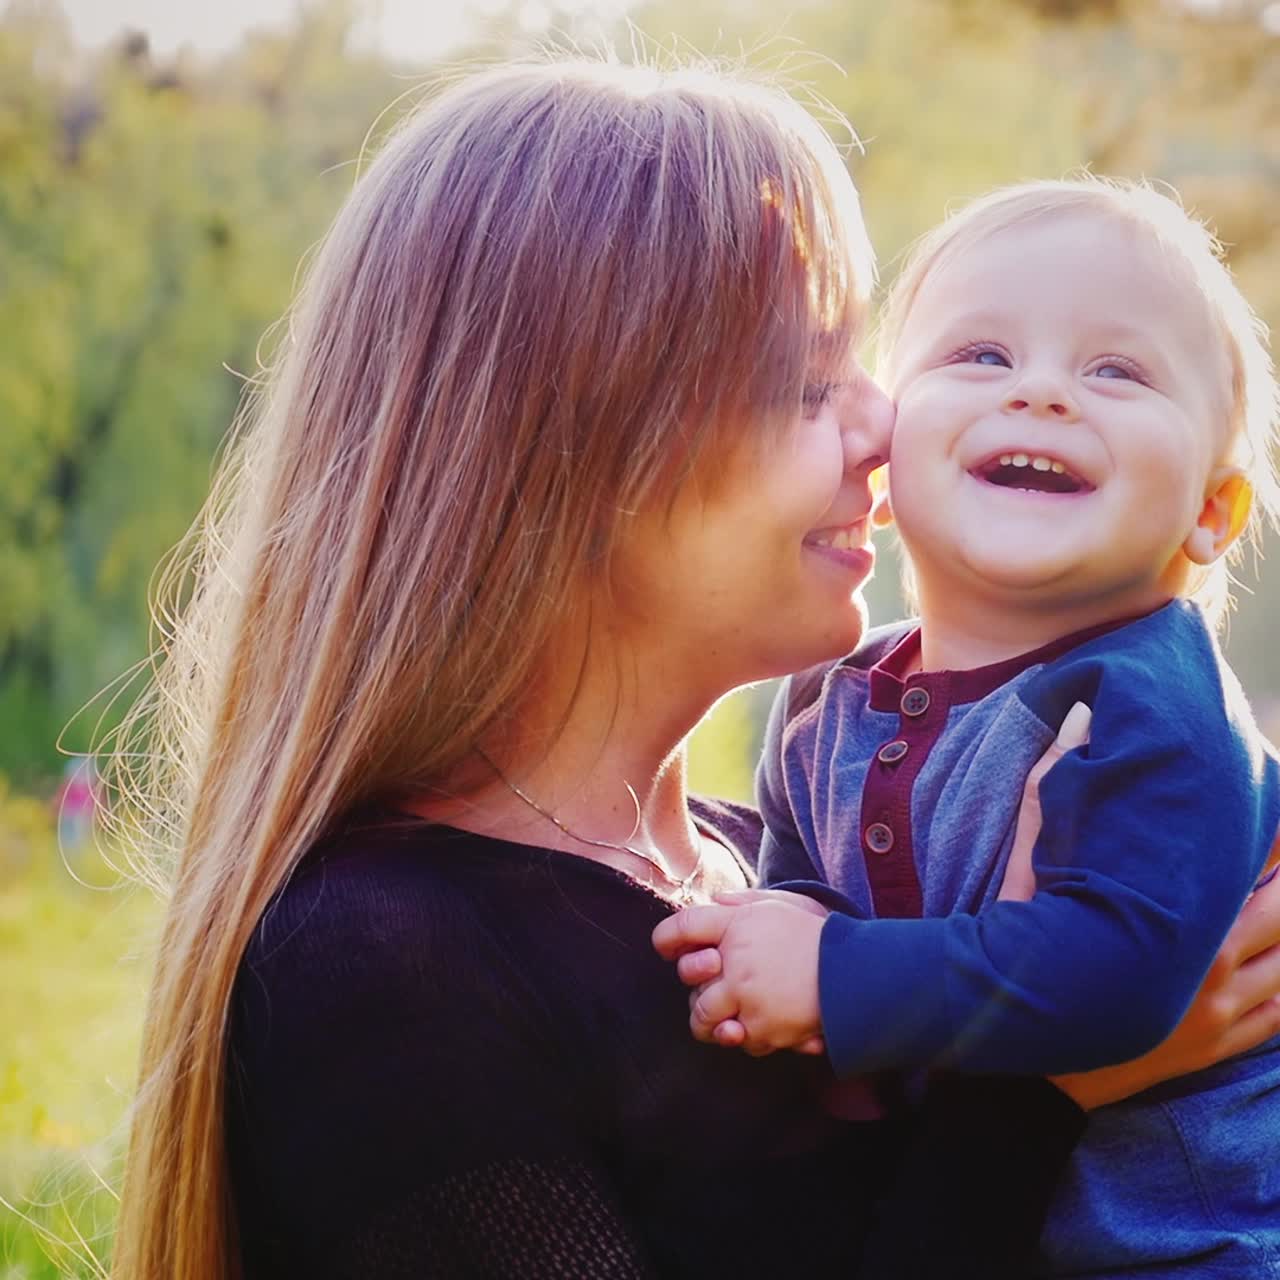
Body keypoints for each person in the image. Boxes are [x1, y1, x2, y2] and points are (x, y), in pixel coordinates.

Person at [104, 63, 1280, 1280]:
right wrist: (1047, 1083)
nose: (885, 425)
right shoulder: (385, 969)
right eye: (806, 380)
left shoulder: (781, 865)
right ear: (575, 449)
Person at [653, 178, 1280, 1275]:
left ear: (1208, 511)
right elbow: (797, 883)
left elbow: (1121, 972)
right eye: (979, 356)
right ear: (886, 463)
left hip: (1191, 1238)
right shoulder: (822, 697)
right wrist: (773, 966)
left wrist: (832, 977)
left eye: (1115, 370)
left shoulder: (1152, 704)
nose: (1039, 392)